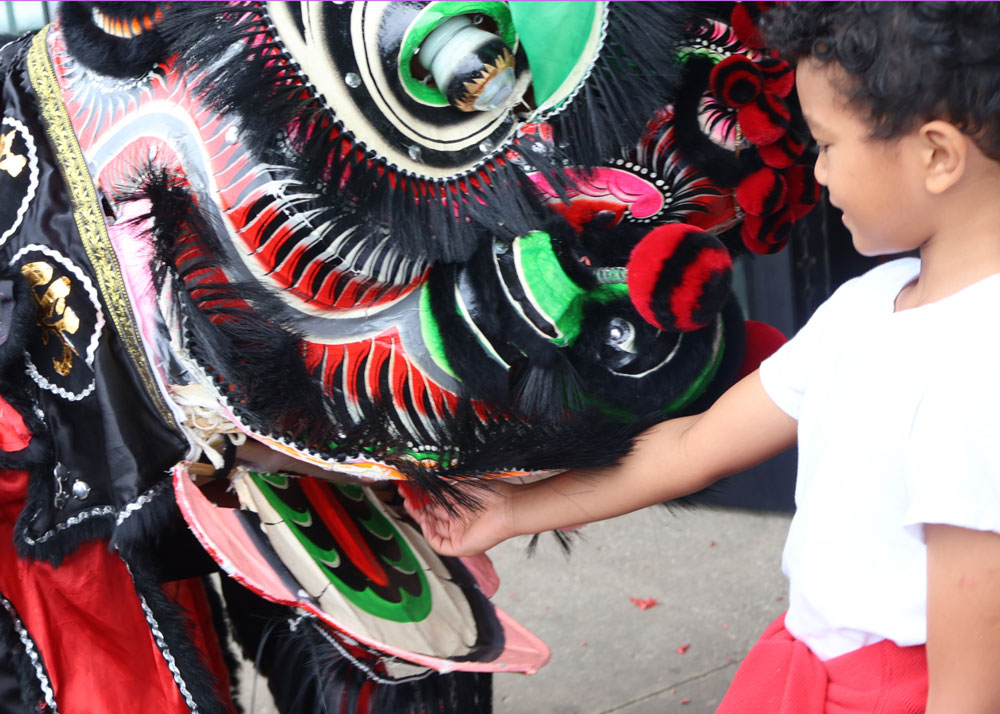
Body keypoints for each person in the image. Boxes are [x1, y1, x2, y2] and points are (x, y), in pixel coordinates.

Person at [403, 4, 1000, 713]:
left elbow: (970, 680)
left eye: (829, 144)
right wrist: (508, 510)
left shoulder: (976, 369)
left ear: (936, 155)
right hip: (809, 665)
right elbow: (692, 445)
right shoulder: (871, 305)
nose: (819, 170)